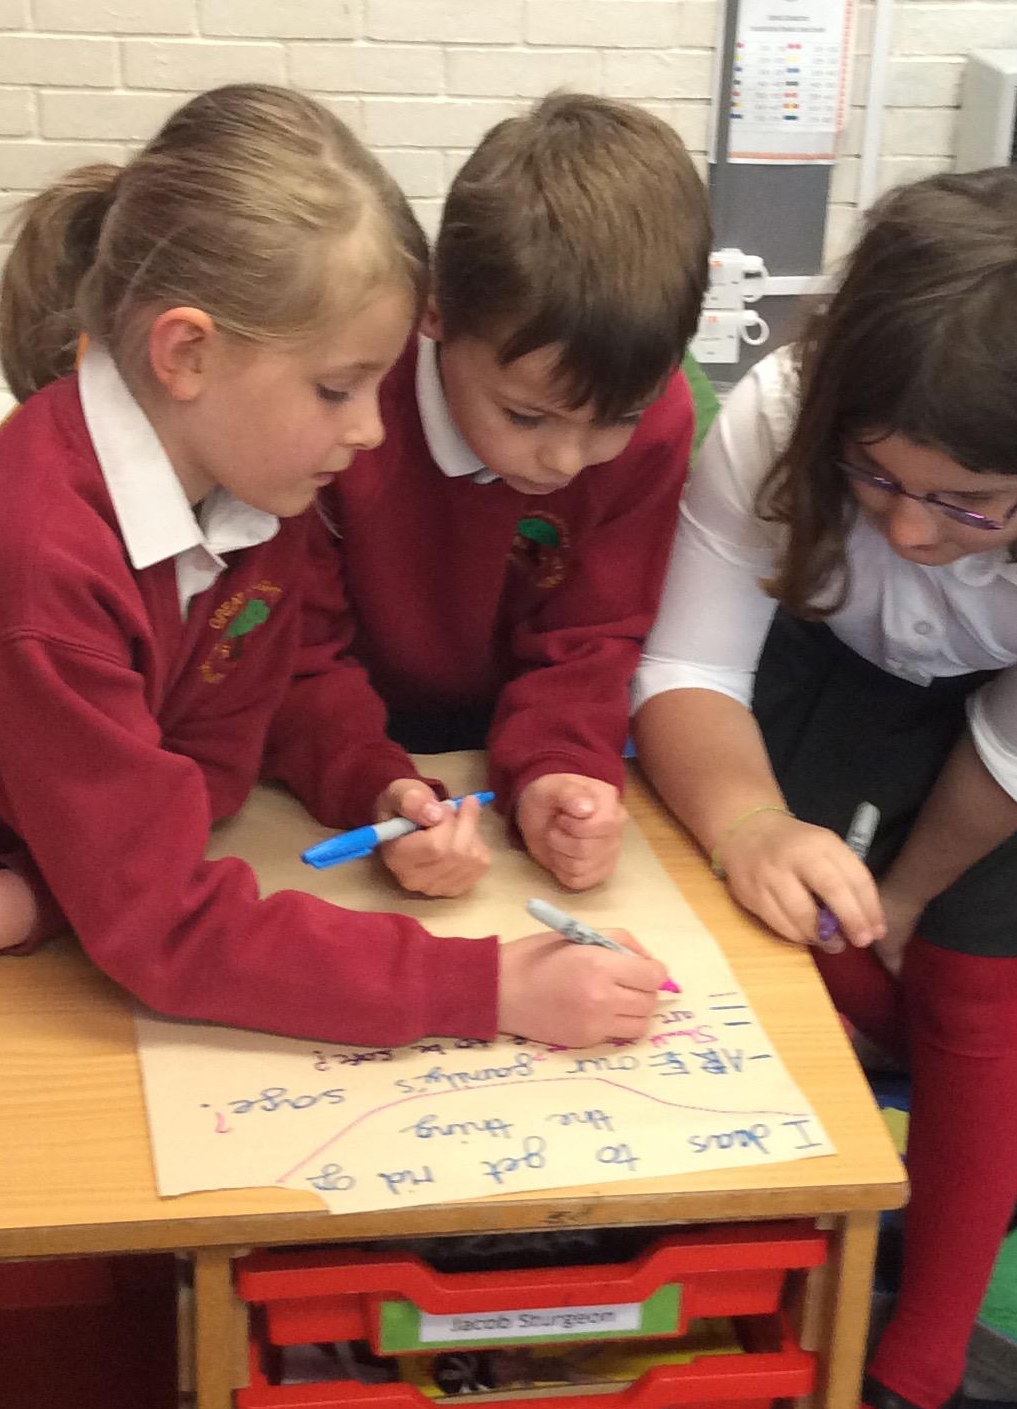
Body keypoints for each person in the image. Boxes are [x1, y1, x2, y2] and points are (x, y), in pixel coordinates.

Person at [0, 86, 666, 1053]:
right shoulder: (30, 573)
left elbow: (202, 757)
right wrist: (490, 988)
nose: (371, 433)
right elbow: (161, 929)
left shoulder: (256, 484)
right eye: (339, 390)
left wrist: (377, 788)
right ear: (186, 353)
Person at [631, 166, 1017, 1409]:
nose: (906, 527)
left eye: (971, 503)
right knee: (779, 928)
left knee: (971, 995)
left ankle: (925, 1360)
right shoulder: (777, 419)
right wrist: (754, 828)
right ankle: (984, 1149)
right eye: (877, 475)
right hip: (819, 654)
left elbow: (1016, 753)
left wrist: (904, 898)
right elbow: (690, 667)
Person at [269, 94, 711, 905]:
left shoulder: (660, 421)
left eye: (617, 418)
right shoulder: (351, 406)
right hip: (329, 740)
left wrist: (562, 772)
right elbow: (298, 650)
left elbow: (593, 637)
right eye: (526, 417)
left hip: (506, 739)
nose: (568, 461)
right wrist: (376, 786)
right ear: (435, 313)